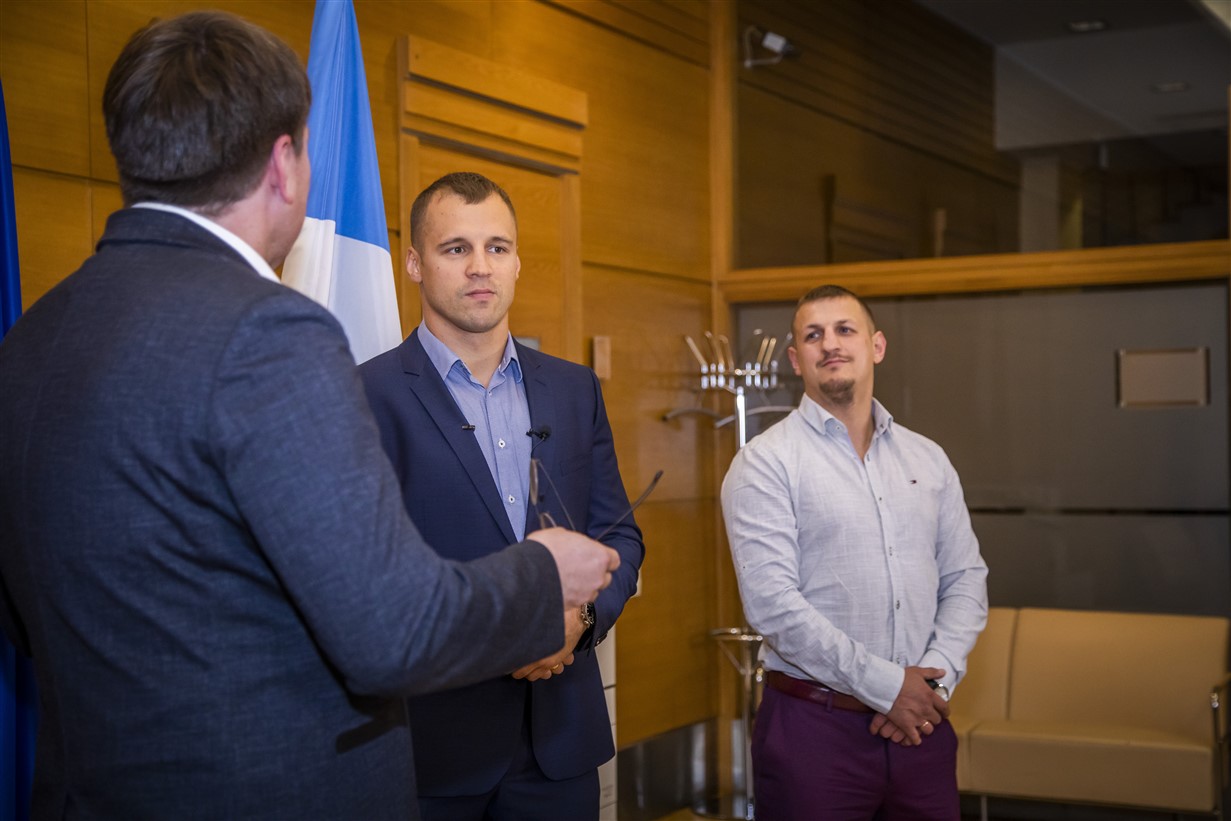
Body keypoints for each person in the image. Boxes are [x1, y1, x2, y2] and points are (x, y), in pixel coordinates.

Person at [0, 12, 619, 820]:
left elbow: (25, 614)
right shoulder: (269, 332)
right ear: (284, 164)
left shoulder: (30, 338)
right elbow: (390, 631)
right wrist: (542, 574)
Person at [358, 171, 644, 820]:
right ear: (414, 263)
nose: (480, 267)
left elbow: (619, 535)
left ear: (517, 261)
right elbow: (369, 574)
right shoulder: (366, 394)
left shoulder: (574, 389)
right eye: (456, 248)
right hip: (433, 749)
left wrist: (580, 621)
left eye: (497, 247)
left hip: (560, 744)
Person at [721, 284, 988, 820]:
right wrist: (890, 688)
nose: (830, 344)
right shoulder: (765, 463)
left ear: (876, 346)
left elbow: (965, 578)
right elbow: (773, 605)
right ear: (796, 359)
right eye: (813, 335)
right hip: (813, 735)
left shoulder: (928, 459)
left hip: (922, 731)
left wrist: (931, 684)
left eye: (845, 329)